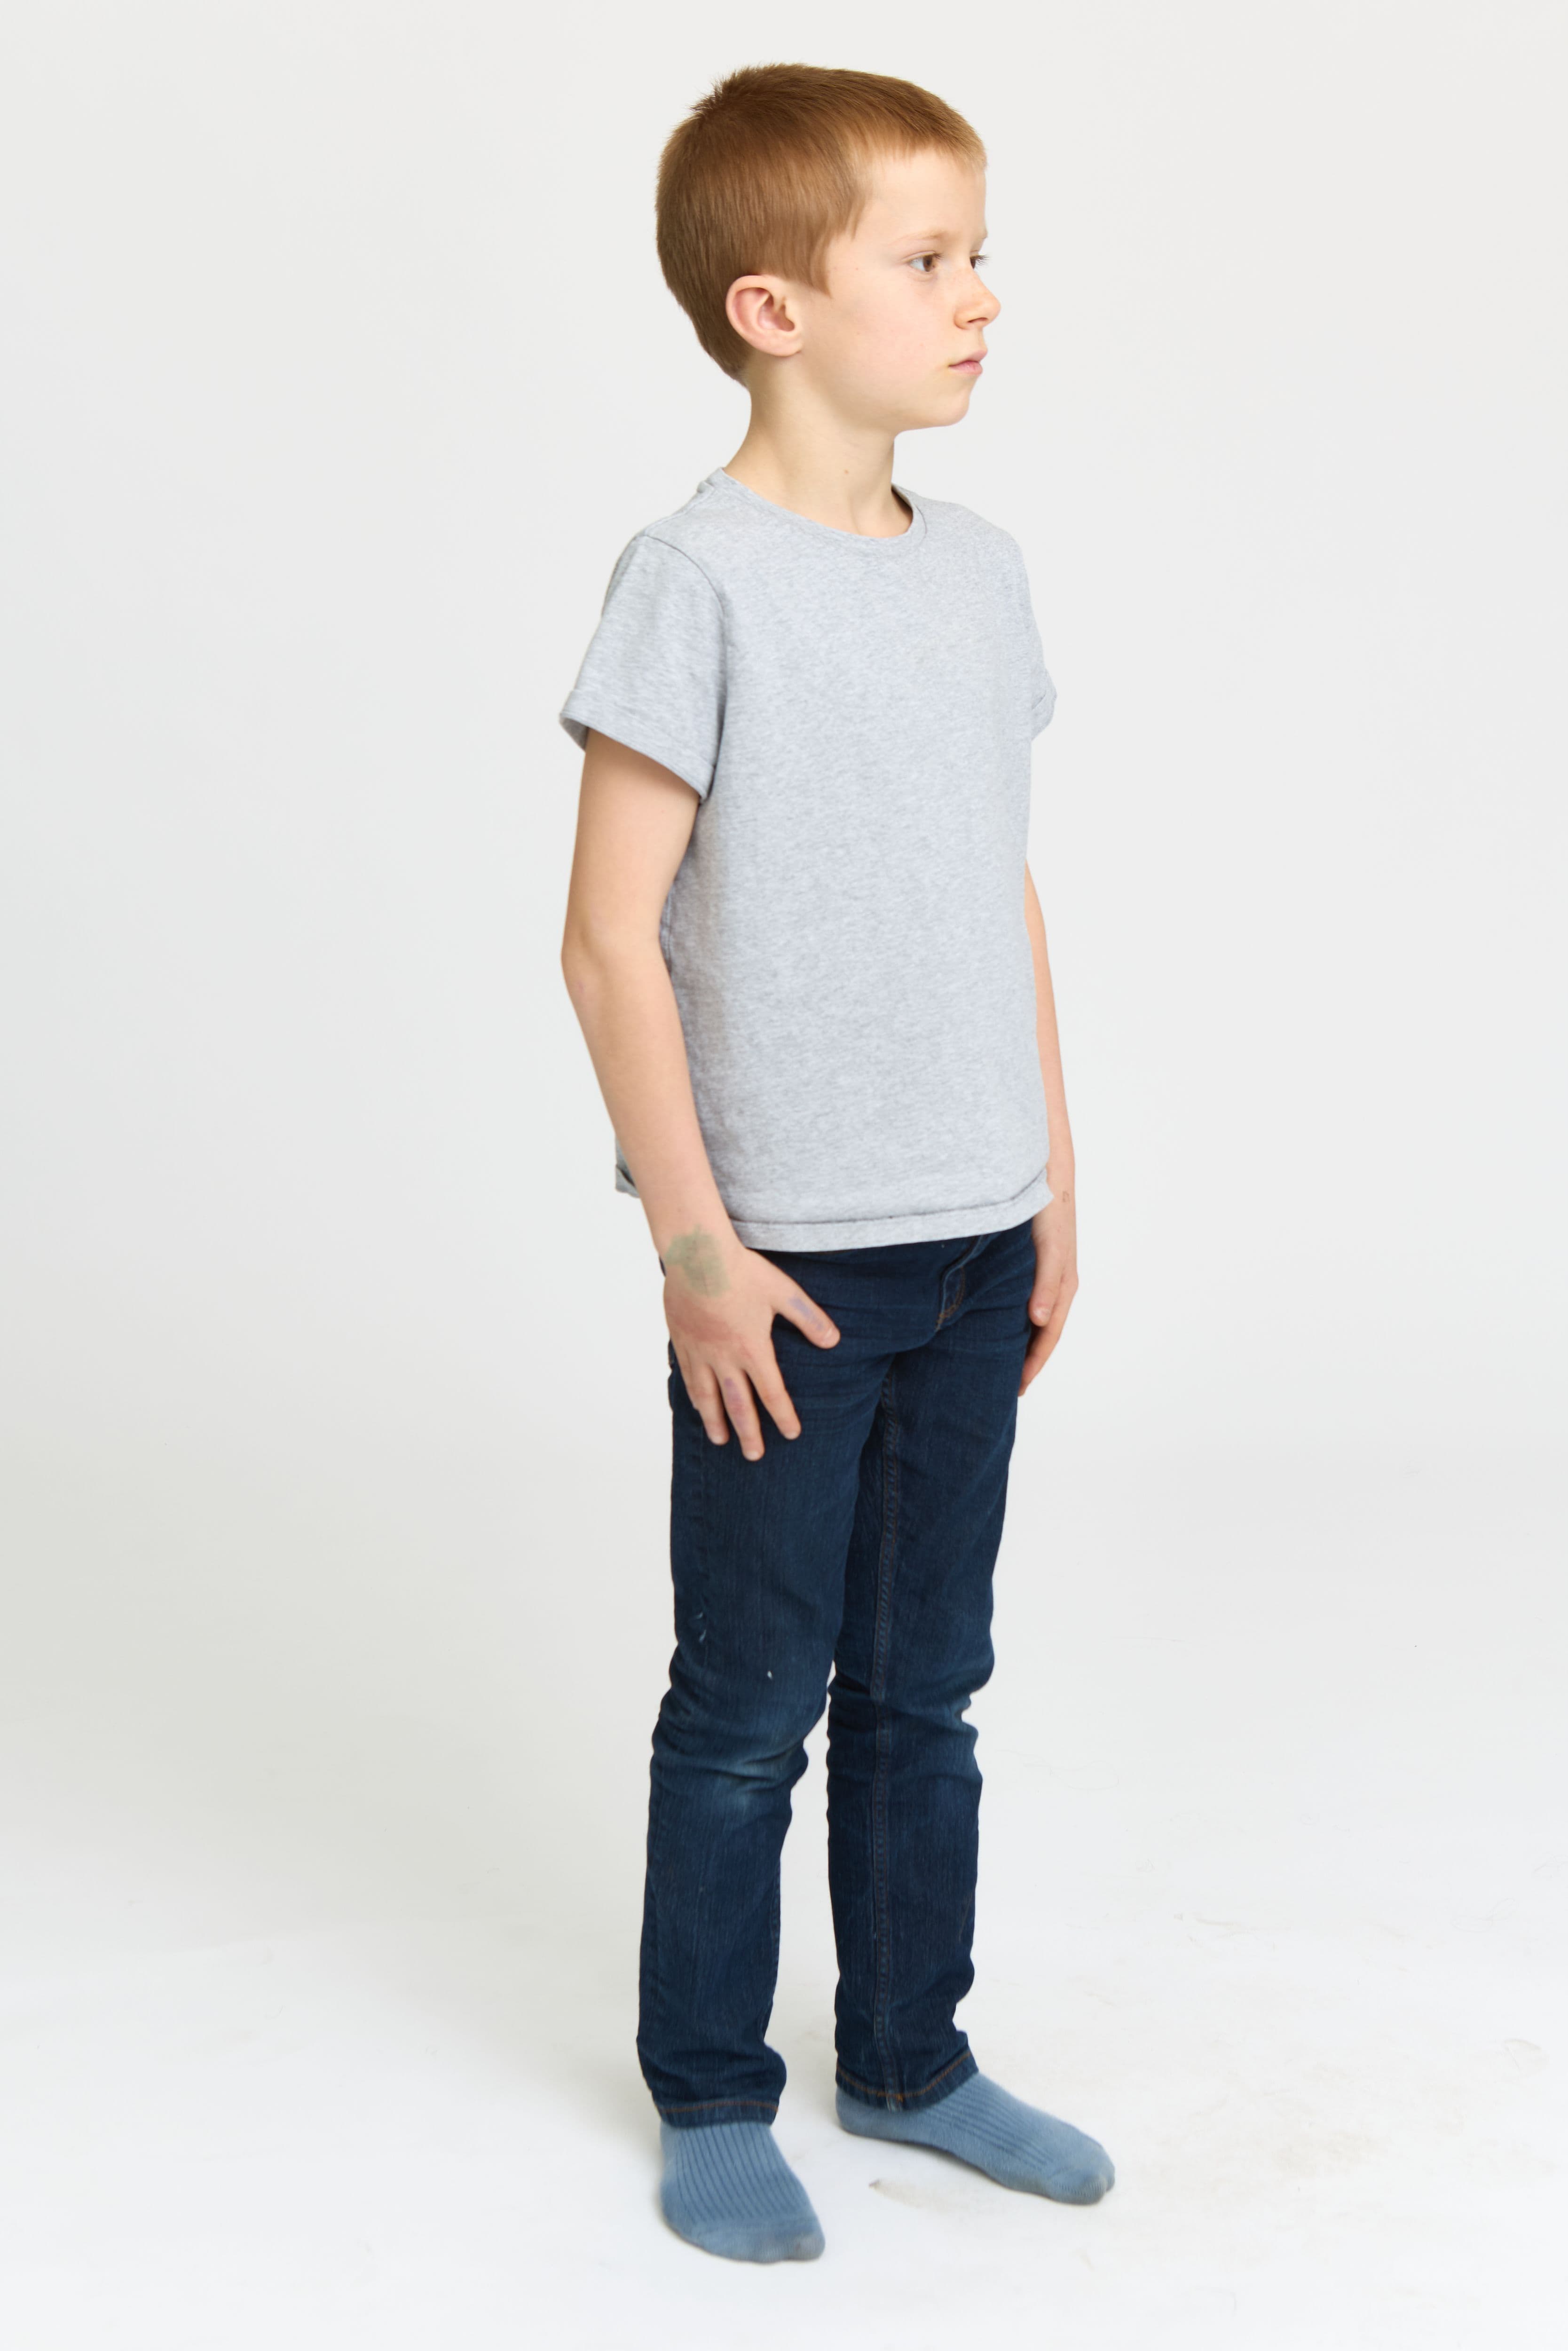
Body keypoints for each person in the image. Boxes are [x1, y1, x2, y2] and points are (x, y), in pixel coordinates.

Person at [558, 62, 1114, 2264]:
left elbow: (1002, 882)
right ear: (775, 308)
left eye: (980, 253)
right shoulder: (691, 580)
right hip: (787, 1270)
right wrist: (696, 1247)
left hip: (975, 1245)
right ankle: (713, 2086)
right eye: (932, 257)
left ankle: (910, 2054)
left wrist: (1051, 1177)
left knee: (925, 1684)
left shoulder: (980, 572)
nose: (983, 295)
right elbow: (609, 937)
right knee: (747, 1704)